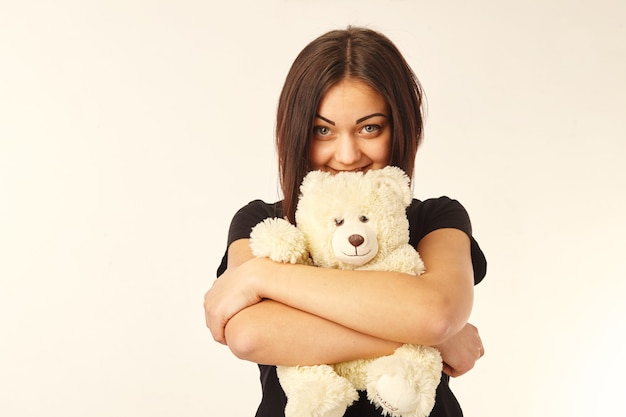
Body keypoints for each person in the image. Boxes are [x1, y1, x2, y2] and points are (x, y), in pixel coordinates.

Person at [204, 26, 487, 417]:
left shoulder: (436, 219)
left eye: (369, 127)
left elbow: (435, 314)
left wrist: (260, 279)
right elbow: (251, 335)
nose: (348, 154)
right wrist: (428, 341)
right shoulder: (264, 223)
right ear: (296, 133)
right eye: (323, 130)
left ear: (402, 128)